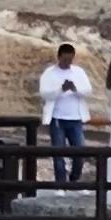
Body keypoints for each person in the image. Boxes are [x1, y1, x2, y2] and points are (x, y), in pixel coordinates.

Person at [36, 41, 95, 188]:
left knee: (80, 152)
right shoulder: (49, 73)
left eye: (70, 59)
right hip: (57, 119)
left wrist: (75, 89)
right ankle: (61, 184)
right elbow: (44, 94)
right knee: (59, 153)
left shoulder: (79, 72)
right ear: (59, 57)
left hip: (75, 118)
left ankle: (74, 179)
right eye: (65, 59)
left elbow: (88, 90)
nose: (68, 62)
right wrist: (60, 90)